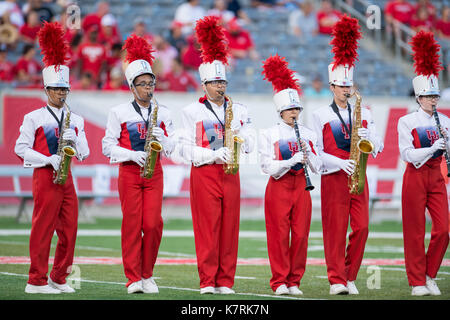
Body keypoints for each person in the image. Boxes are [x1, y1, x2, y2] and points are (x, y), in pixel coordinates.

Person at [178, 16, 255, 294]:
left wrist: (240, 140)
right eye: (214, 83)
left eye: (223, 82)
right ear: (204, 84)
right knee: (207, 229)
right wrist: (212, 154)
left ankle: (225, 281)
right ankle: (207, 281)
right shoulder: (191, 112)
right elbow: (182, 149)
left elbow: (250, 143)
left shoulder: (240, 109)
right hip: (205, 173)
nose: (220, 87)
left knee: (229, 229)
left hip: (231, 172)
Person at [14, 22, 89, 294]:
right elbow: (20, 148)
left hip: (67, 176)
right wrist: (47, 160)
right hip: (45, 175)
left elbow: (85, 152)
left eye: (64, 89)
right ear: (46, 90)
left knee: (69, 231)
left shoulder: (75, 118)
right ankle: (35, 281)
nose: (61, 93)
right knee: (43, 229)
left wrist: (74, 139)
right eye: (57, 89)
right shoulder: (33, 117)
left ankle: (58, 277)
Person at [311, 16, 383, 295]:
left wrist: (369, 139)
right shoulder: (320, 115)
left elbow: (379, 146)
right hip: (334, 176)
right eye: (341, 86)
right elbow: (316, 152)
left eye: (348, 86)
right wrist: (340, 161)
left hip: (358, 175)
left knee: (362, 227)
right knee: (335, 230)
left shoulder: (365, 112)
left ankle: (350, 274)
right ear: (332, 87)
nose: (346, 90)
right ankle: (336, 279)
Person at [102, 35, 175, 294]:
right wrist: (132, 155)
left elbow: (174, 147)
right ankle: (133, 278)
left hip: (155, 171)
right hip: (130, 171)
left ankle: (148, 274)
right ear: (132, 87)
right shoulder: (119, 112)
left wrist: (163, 139)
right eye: (142, 84)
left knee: (153, 224)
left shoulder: (163, 112)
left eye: (150, 83)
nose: (148, 88)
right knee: (132, 224)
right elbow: (107, 146)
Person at [260, 54, 322, 295]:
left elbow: (318, 167)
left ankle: (295, 281)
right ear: (281, 111)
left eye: (297, 108)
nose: (294, 112)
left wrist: (309, 154)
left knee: (300, 235)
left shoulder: (308, 134)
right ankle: (279, 281)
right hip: (278, 186)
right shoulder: (269, 133)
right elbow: (266, 166)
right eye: (289, 109)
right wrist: (289, 161)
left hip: (301, 188)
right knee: (278, 236)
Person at [397, 31, 449, 296]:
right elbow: (407, 154)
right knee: (415, 231)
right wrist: (432, 148)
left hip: (436, 178)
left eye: (435, 97)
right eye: (429, 97)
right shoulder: (406, 121)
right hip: (415, 175)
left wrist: (446, 145)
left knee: (444, 230)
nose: (433, 101)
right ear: (418, 98)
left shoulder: (446, 122)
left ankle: (429, 274)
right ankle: (417, 281)